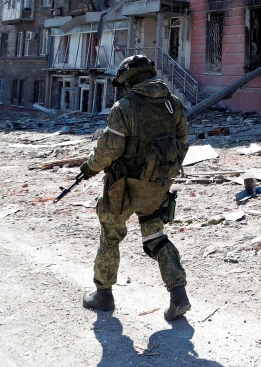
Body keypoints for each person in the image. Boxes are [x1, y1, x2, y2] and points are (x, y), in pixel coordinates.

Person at [79, 54, 191, 321]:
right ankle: (178, 295)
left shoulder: (124, 107)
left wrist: (90, 167)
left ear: (128, 81)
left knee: (110, 236)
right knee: (155, 237)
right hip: (155, 187)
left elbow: (109, 150)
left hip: (123, 188)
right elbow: (183, 143)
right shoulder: (173, 104)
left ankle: (103, 295)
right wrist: (161, 174)